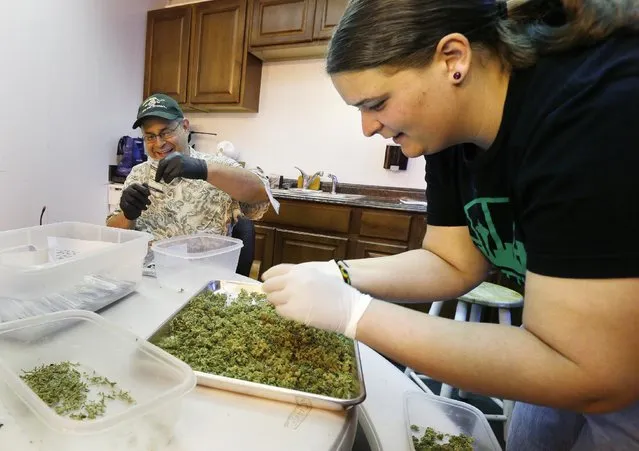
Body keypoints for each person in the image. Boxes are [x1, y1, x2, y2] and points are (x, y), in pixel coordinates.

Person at [261, 0, 639, 449]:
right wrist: (339, 273)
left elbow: (593, 374)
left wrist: (354, 313)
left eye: (377, 103)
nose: (367, 128)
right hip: (568, 343)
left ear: (453, 59)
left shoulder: (592, 111)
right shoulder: (444, 135)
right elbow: (452, 261)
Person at [107, 94, 271, 241]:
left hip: (202, 270)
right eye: (150, 136)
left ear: (185, 127)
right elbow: (112, 237)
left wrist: (203, 170)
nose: (159, 143)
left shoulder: (219, 167)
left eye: (166, 132)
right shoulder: (139, 173)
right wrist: (128, 214)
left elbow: (262, 193)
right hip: (148, 270)